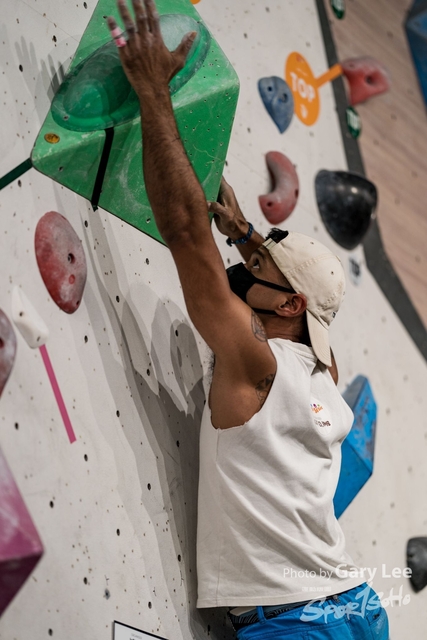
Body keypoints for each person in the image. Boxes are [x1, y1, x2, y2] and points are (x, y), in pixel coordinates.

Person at [107, 2, 389, 638]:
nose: (248, 260)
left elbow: (182, 231)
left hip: (297, 624)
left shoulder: (255, 362)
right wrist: (247, 236)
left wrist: (152, 91)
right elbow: (301, 300)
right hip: (357, 607)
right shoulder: (323, 366)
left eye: (260, 262)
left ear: (289, 306)